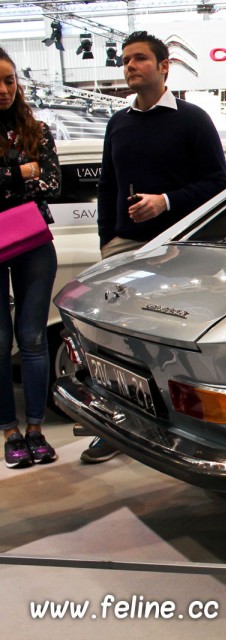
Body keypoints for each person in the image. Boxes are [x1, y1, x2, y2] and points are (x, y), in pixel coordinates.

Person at [84, 30, 226, 463]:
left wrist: (164, 201)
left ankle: (180, 429)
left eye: (140, 59)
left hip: (181, 250)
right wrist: (107, 239)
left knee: (173, 345)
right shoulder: (118, 123)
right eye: (125, 60)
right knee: (111, 344)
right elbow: (107, 186)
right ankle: (114, 425)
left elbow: (218, 185)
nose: (130, 66)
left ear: (165, 66)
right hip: (125, 250)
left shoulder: (193, 120)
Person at [0, 47, 62, 469]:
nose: (4, 90)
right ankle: (9, 431)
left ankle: (36, 429)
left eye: (9, 80)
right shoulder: (29, 147)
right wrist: (23, 173)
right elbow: (37, 177)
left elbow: (54, 184)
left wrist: (7, 177)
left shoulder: (36, 129)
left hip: (34, 242)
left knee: (34, 339)